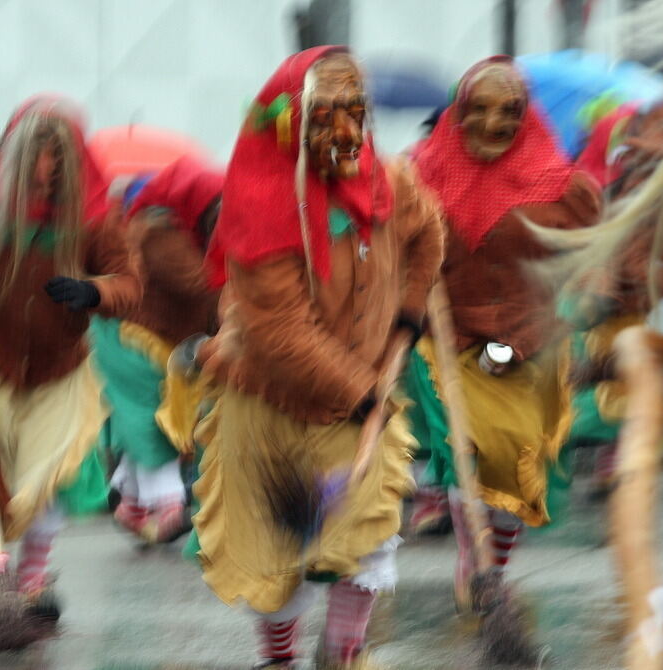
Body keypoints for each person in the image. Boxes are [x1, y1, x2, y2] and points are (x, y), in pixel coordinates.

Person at [186, 46, 445, 668]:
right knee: (275, 556)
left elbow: (428, 235)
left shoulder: (391, 182)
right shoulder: (259, 205)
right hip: (270, 400)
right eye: (327, 115)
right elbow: (280, 331)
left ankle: (344, 654)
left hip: (362, 401)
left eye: (357, 111)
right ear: (289, 122)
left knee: (370, 536)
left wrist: (409, 312)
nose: (348, 131)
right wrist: (360, 393)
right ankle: (280, 660)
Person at [0, 96, 142, 619]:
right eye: (37, 156)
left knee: (49, 479)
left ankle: (32, 584)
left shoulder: (96, 222)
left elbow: (129, 284)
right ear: (14, 155)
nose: (46, 171)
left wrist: (93, 292)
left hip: (61, 371)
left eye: (58, 158)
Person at [408, 56, 602, 611]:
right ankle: (480, 562)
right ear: (458, 113)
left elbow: (597, 256)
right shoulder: (418, 177)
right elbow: (392, 255)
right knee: (472, 448)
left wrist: (587, 291)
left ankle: (493, 566)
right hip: (449, 339)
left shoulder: (564, 187)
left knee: (517, 458)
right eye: (480, 110)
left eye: (509, 111)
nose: (494, 123)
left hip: (531, 341)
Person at [92, 156, 222, 544]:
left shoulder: (188, 230)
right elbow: (200, 285)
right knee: (153, 420)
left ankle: (131, 505)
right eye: (218, 207)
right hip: (128, 337)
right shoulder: (158, 230)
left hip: (166, 342)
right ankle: (167, 505)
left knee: (160, 421)